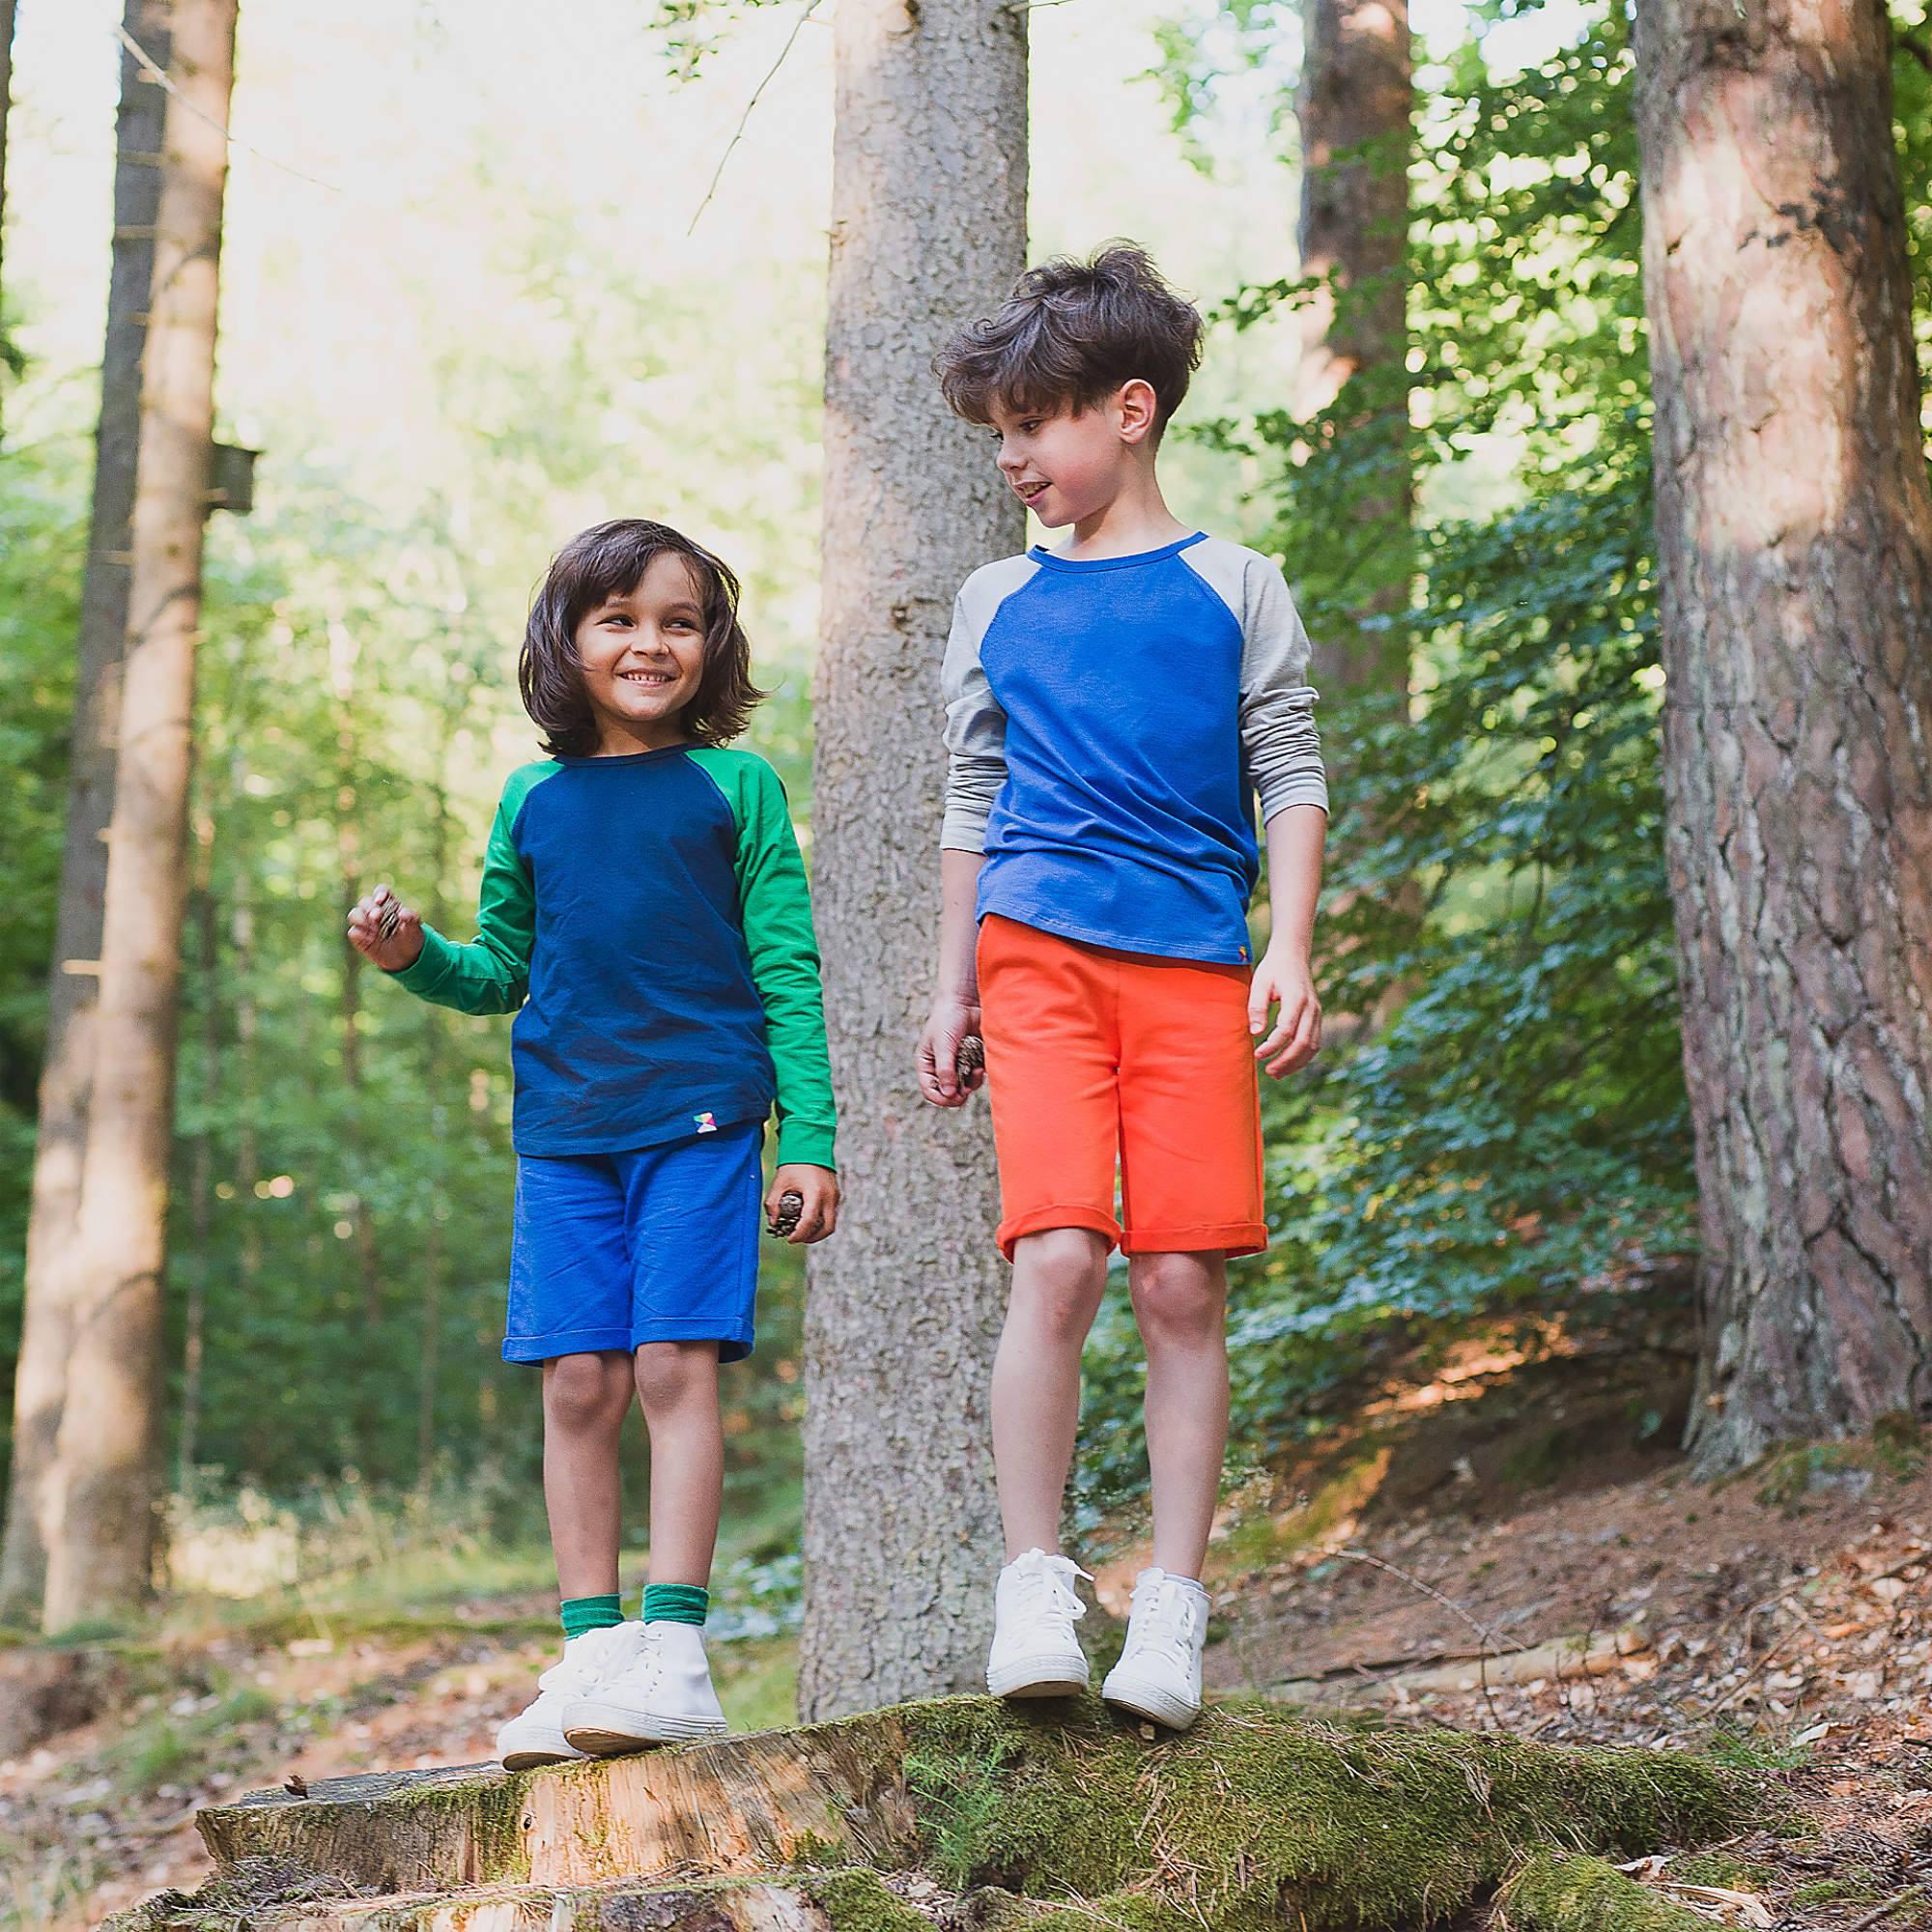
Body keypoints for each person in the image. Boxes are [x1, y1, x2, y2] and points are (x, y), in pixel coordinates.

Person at [349, 518, 838, 1766]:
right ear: (567, 640)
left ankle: (675, 1648)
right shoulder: (532, 798)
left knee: (674, 1367)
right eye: (619, 618)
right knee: (579, 1383)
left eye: (679, 621)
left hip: (704, 1117)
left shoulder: (738, 788)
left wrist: (810, 1139)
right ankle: (589, 1655)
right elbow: (499, 968)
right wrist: (415, 959)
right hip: (567, 1129)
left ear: (711, 646)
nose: (650, 642)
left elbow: (788, 969)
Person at [918, 245, 1327, 1731]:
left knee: (1177, 1281)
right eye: (1004, 434)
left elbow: (1288, 767)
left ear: (1133, 411)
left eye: (1038, 425)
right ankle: (1037, 1586)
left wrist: (1286, 943)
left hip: (1192, 962)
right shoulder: (991, 600)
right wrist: (949, 986)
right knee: (1062, 1257)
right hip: (1034, 947)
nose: (1016, 458)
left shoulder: (1236, 585)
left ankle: (1170, 1608)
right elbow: (973, 793)